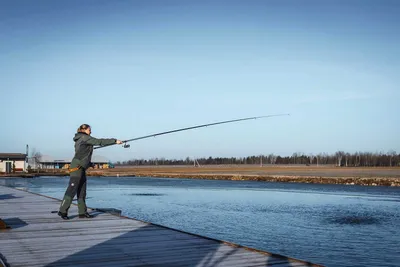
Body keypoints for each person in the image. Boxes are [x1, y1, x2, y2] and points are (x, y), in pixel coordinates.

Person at [58, 124, 122, 220]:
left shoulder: (82, 138)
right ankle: (62, 211)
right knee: (72, 190)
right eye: (89, 130)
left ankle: (82, 212)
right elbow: (99, 141)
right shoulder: (84, 137)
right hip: (76, 168)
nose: (91, 131)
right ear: (84, 130)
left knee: (82, 191)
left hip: (82, 167)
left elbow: (83, 155)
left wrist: (90, 164)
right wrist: (115, 141)